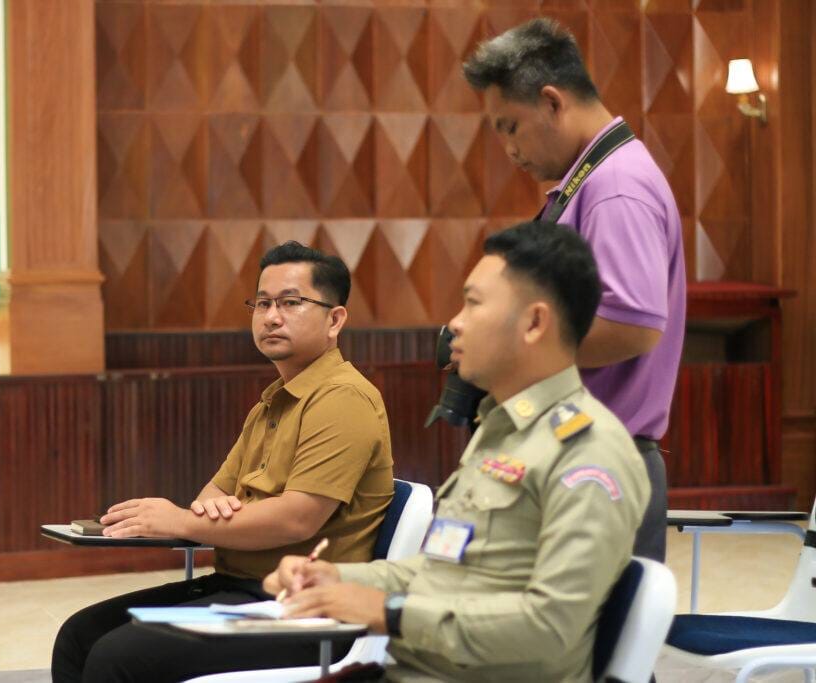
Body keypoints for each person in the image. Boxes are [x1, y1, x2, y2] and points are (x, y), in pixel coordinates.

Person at [266, 222, 650, 682]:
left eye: (474, 303)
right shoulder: (500, 431)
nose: (455, 325)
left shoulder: (587, 452)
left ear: (534, 323)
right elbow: (441, 572)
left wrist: (390, 613)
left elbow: (549, 629)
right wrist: (337, 579)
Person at [52, 241, 394, 682]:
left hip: (301, 610)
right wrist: (209, 513)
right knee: (80, 635)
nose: (272, 317)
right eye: (263, 303)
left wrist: (181, 521)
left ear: (335, 319)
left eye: (291, 303)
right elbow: (211, 495)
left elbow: (296, 519)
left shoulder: (343, 399)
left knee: (118, 656)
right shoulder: (273, 402)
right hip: (238, 587)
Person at [462, 18, 686, 562]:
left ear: (551, 102)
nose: (508, 150)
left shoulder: (615, 185)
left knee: (574, 620)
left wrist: (508, 350)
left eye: (510, 127)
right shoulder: (597, 178)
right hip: (578, 454)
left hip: (600, 463)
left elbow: (632, 327)